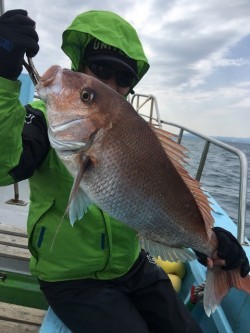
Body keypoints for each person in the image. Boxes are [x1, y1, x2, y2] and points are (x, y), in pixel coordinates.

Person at [0, 9, 249, 333]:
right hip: (70, 277)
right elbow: (5, 169)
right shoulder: (39, 121)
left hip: (130, 265)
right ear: (81, 67)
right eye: (100, 73)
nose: (113, 85)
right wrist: (4, 78)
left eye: (125, 79)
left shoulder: (139, 136)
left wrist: (209, 243)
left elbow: (159, 200)